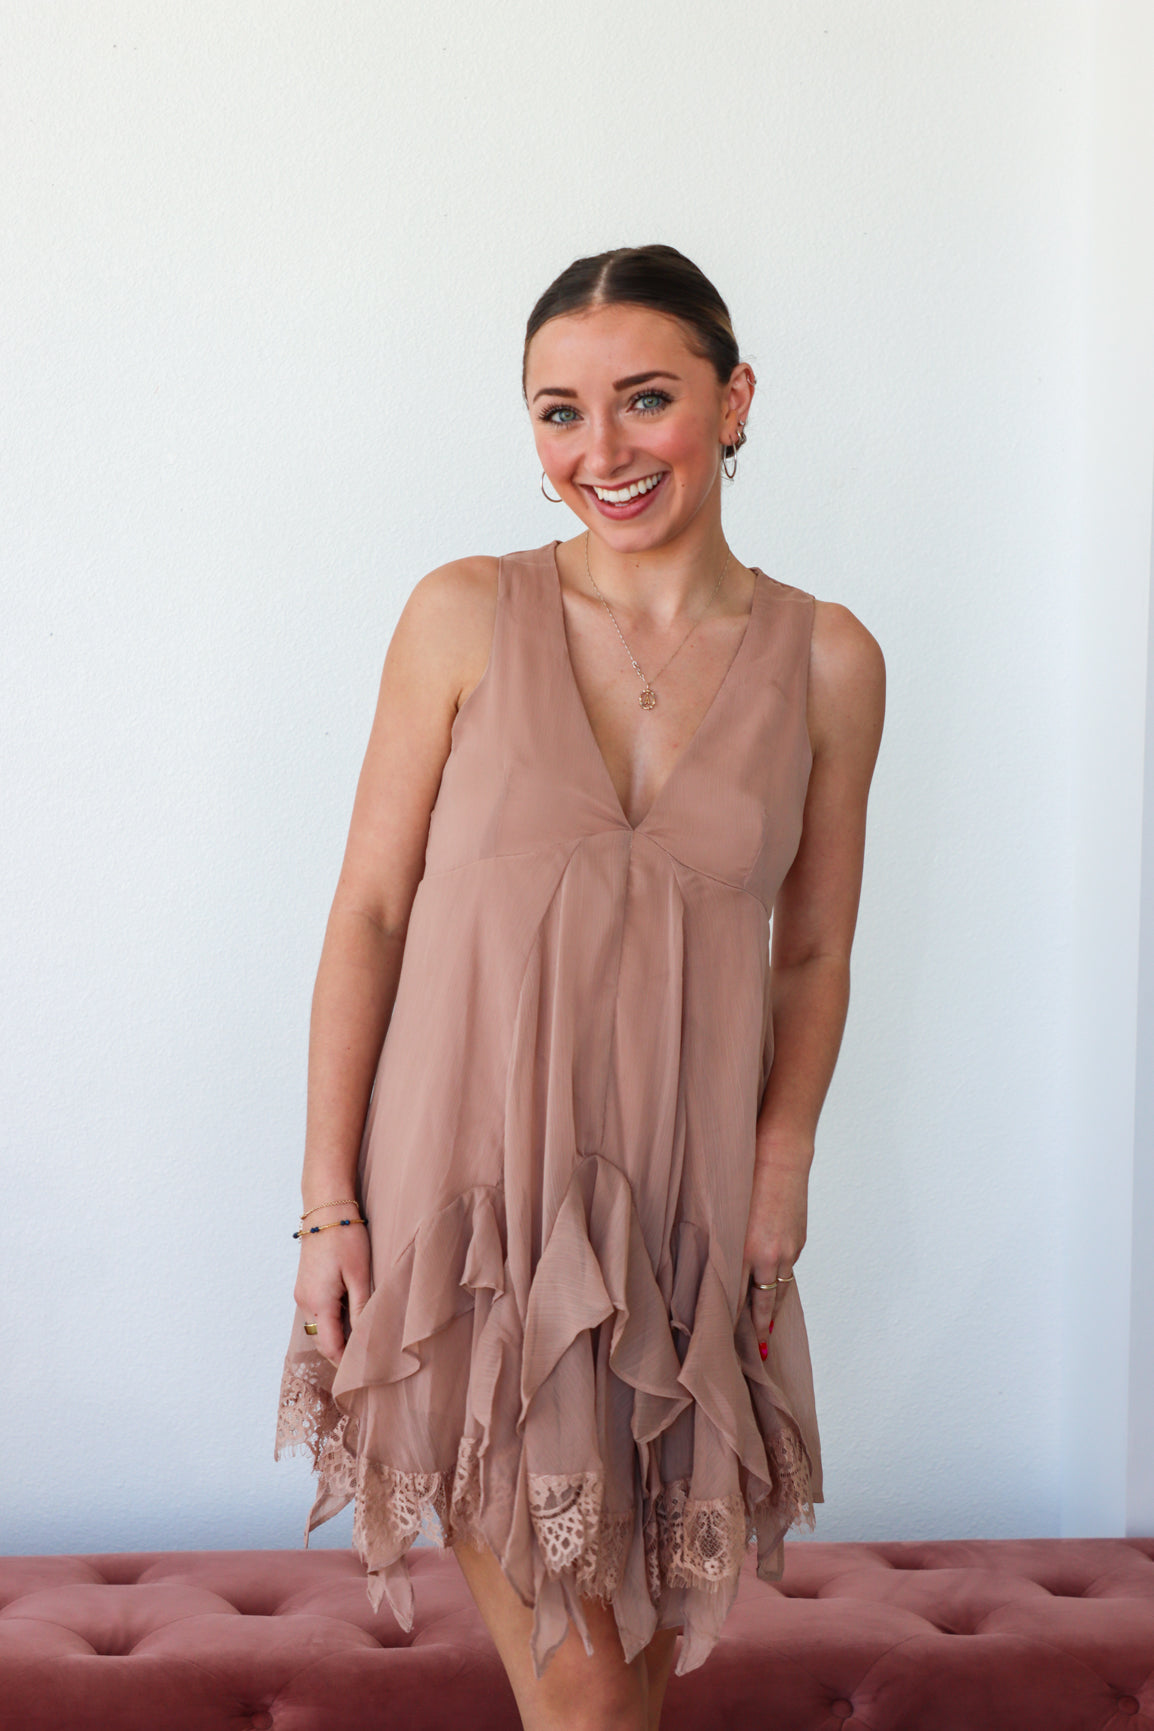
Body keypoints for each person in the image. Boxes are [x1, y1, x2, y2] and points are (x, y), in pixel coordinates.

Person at [275, 242, 885, 1731]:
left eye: (644, 400)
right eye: (557, 412)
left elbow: (811, 946)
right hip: (466, 1227)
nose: (597, 452)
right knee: (593, 1703)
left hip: (681, 1230)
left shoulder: (828, 662)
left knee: (629, 1693)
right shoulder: (462, 613)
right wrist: (327, 1204)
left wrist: (780, 1174)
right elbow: (365, 910)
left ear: (733, 401)